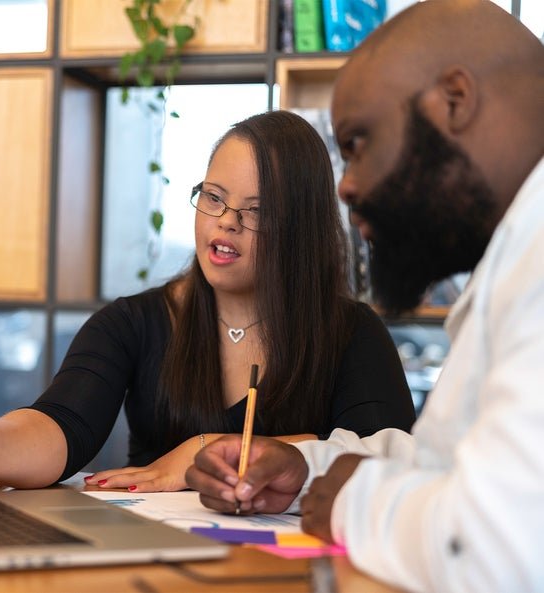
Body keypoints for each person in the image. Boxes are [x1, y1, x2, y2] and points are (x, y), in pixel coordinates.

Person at [185, 1, 544, 592]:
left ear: (455, 101)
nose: (347, 187)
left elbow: (488, 550)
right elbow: (447, 465)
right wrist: (305, 471)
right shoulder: (514, 261)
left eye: (359, 143)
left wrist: (352, 503)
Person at [0, 110, 414, 492]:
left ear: (301, 231)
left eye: (256, 211)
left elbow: (390, 461)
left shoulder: (353, 335)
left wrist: (206, 449)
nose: (226, 222)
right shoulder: (132, 323)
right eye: (214, 197)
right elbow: (62, 427)